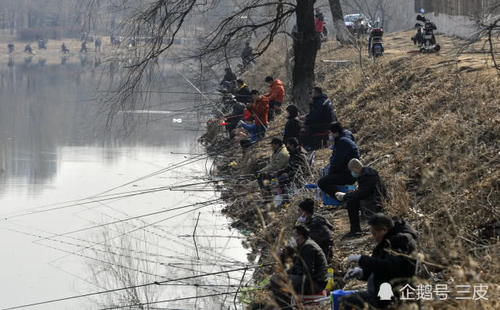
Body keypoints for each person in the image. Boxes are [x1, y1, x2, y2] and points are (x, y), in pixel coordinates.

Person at [341, 214, 417, 309]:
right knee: (348, 299)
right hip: (381, 291)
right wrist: (361, 272)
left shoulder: (400, 241)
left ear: (384, 230)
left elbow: (389, 266)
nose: (374, 237)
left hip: (395, 295)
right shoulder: (387, 240)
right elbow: (378, 265)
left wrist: (361, 259)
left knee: (349, 301)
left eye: (374, 234)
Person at [271, 225, 328, 308]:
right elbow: (297, 266)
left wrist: (288, 275)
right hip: (312, 281)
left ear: (300, 236)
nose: (293, 238)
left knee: (276, 280)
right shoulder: (304, 245)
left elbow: (307, 272)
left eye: (294, 235)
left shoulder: (308, 247)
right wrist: (284, 255)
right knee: (276, 278)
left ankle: (285, 307)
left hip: (316, 283)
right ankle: (285, 304)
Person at [335, 159, 387, 238]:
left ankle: (355, 230)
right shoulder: (367, 173)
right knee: (352, 199)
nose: (352, 173)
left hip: (375, 202)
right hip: (373, 198)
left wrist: (345, 196)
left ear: (356, 168)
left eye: (352, 171)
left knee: (351, 202)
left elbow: (362, 194)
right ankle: (355, 230)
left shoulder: (367, 176)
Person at [317, 122, 360, 200]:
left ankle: (342, 198)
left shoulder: (342, 142)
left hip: (348, 174)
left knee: (322, 182)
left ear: (335, 132)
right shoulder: (346, 136)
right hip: (351, 172)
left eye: (330, 133)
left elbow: (336, 162)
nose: (330, 135)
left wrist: (329, 173)